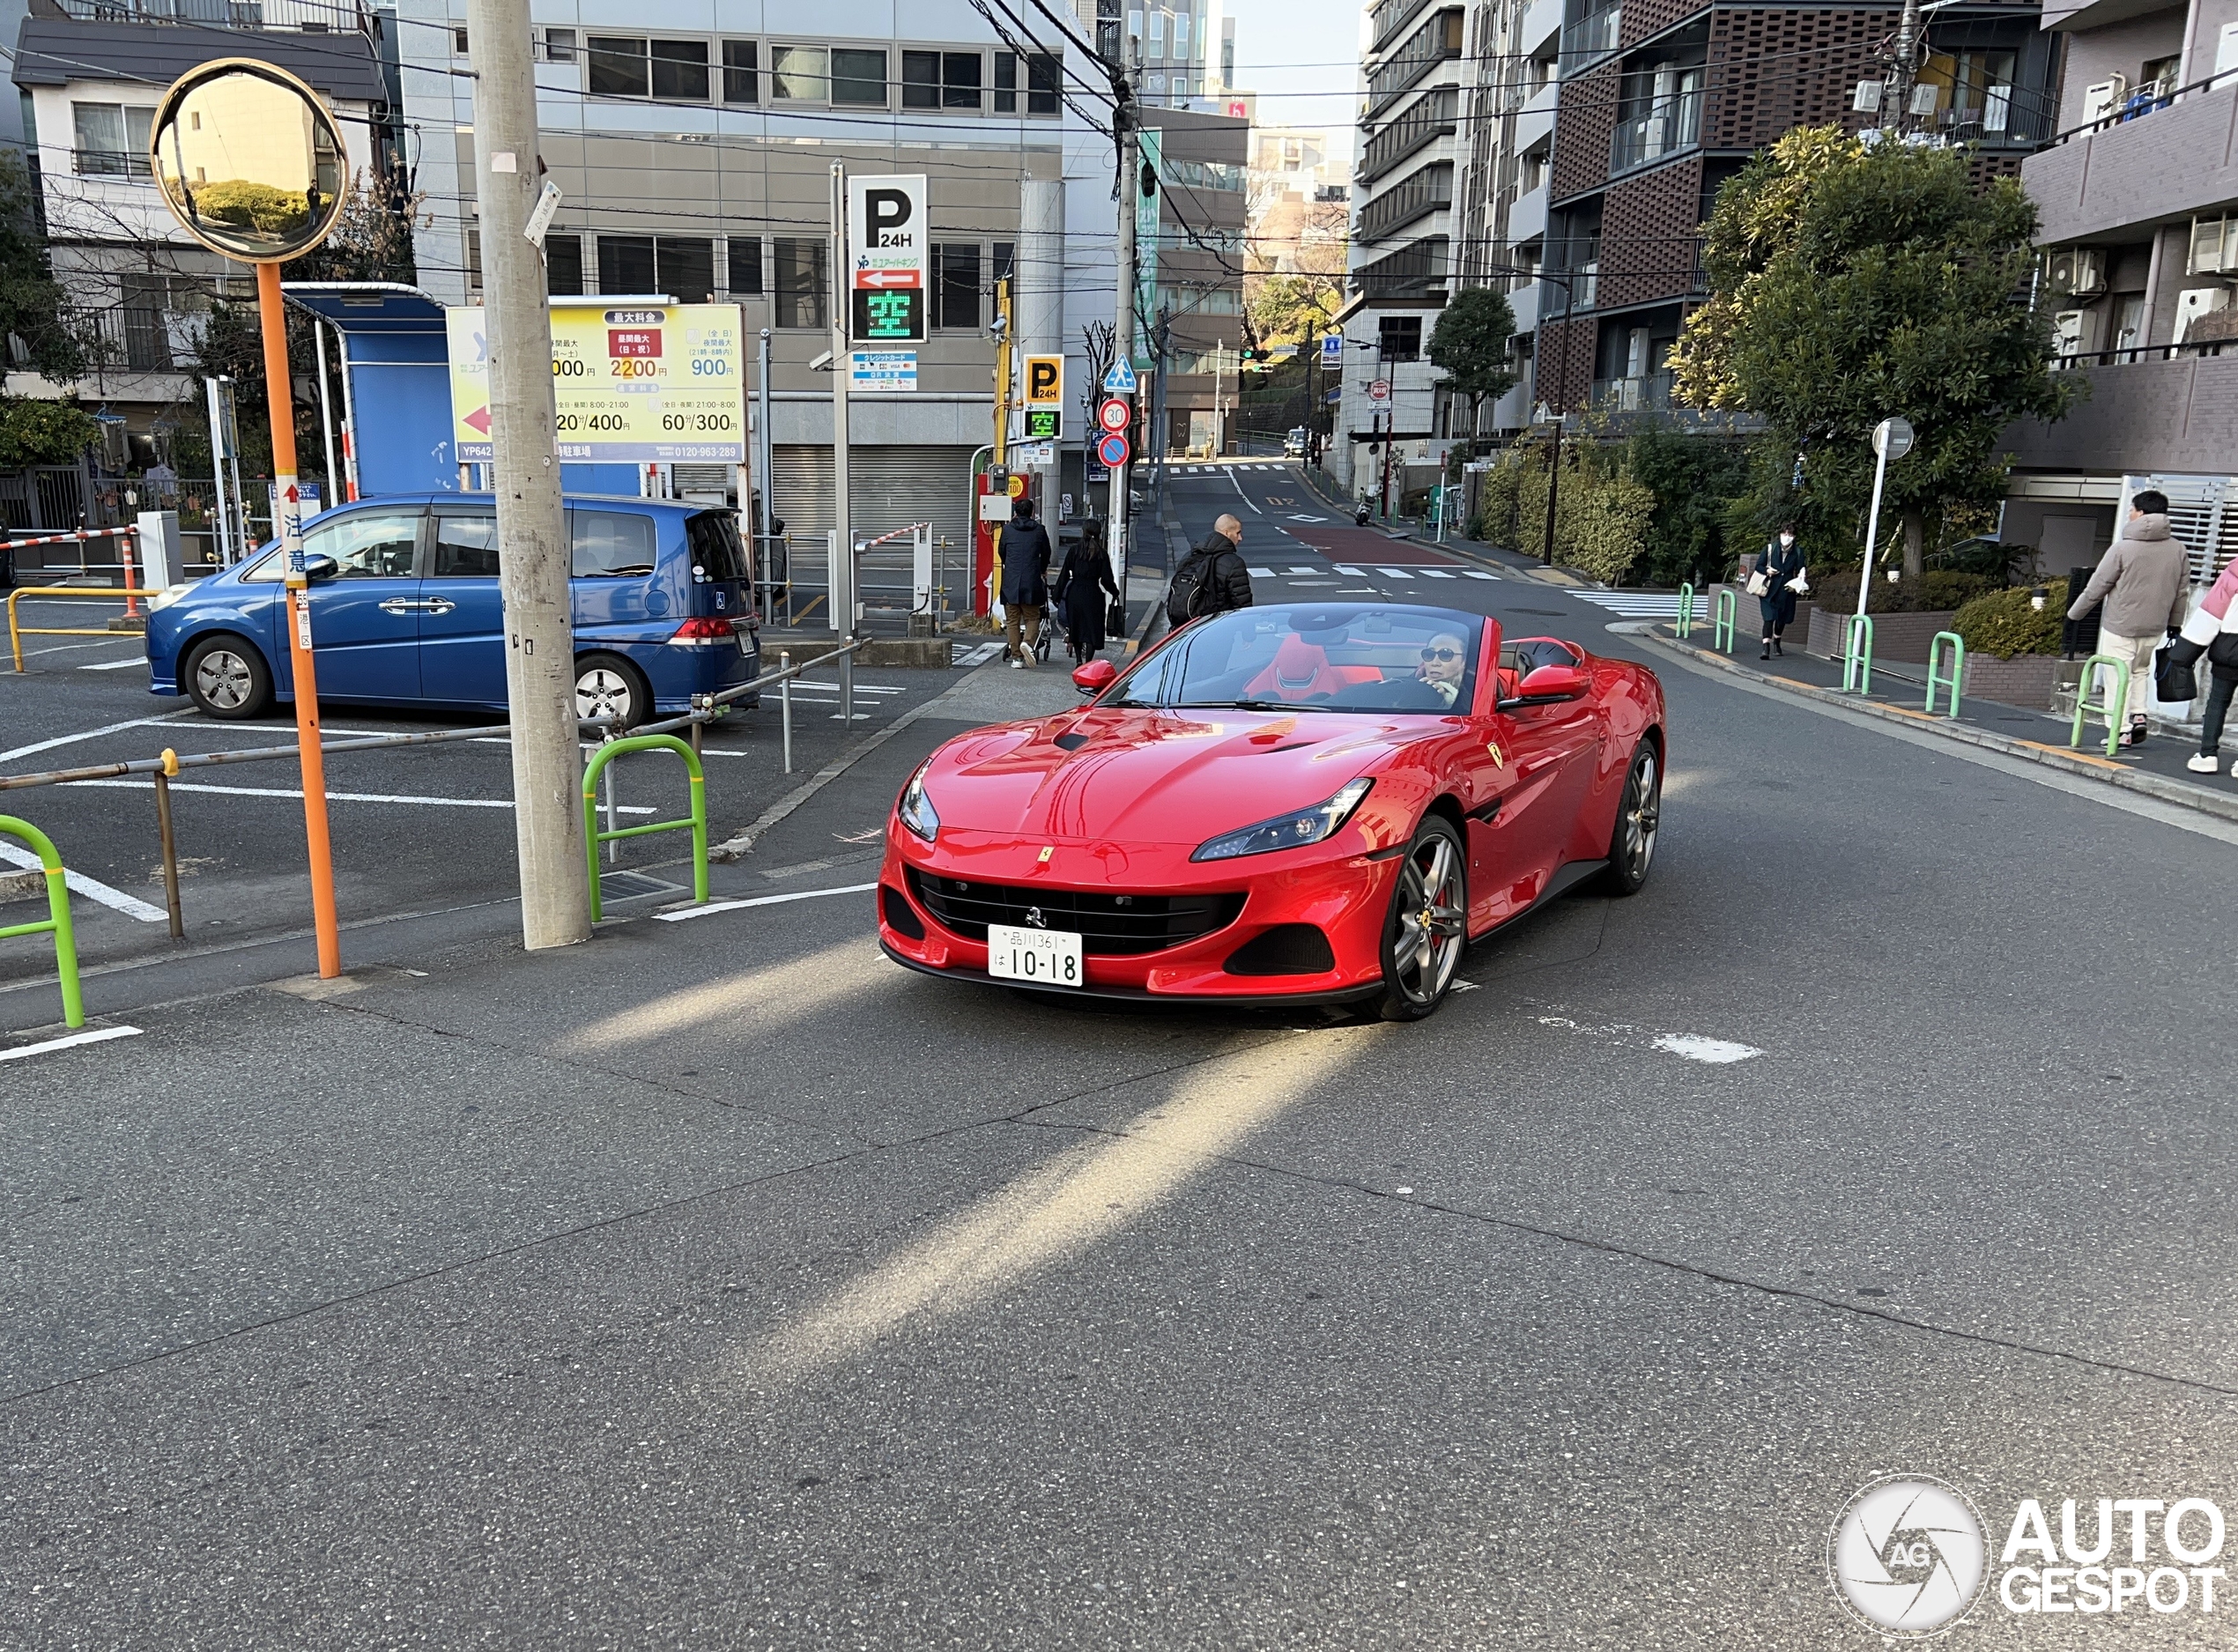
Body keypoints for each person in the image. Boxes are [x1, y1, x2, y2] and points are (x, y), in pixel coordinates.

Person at [2066, 488, 2190, 747]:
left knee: (2116, 675)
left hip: (2121, 624)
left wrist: (2074, 614)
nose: (2129, 515)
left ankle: (2121, 731)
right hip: (2155, 626)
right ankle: (2139, 714)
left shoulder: (2122, 548)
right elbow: (2181, 593)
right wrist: (2175, 625)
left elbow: (2097, 587)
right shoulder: (2179, 549)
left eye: (2132, 510)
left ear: (2141, 514)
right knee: (2140, 671)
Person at [2179, 552, 2238, 775]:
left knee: (2217, 702)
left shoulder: (2233, 572)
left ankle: (2207, 755)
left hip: (2229, 649)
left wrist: (2185, 652)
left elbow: (2211, 614)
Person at [1165, 513, 1252, 628]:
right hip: (1218, 628)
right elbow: (1242, 604)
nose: (1240, 538)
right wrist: (1248, 636)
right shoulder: (1234, 563)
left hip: (1187, 628)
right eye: (1238, 533)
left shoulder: (1190, 556)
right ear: (1226, 533)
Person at [1051, 517, 1121, 663]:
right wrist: (1115, 592)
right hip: (1093, 595)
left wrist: (1056, 595)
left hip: (1075, 593)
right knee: (1091, 629)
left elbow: (1064, 575)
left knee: (1076, 628)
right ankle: (1088, 662)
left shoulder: (1074, 551)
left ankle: (1078, 660)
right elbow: (1106, 580)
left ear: (1083, 532)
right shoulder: (1101, 554)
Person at [997, 494, 1054, 669]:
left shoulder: (1007, 530)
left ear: (1015, 512)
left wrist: (1011, 564)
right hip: (1031, 579)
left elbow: (1002, 552)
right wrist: (1041, 568)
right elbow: (1046, 552)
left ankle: (1017, 659)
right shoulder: (1039, 530)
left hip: (1011, 581)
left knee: (1012, 621)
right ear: (1032, 512)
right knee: (1032, 617)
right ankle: (1028, 643)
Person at [1754, 523, 1805, 660]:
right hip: (1769, 590)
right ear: (1780, 535)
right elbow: (1758, 565)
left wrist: (1802, 573)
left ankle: (1777, 641)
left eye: (1790, 535)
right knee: (1769, 618)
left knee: (1782, 619)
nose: (1787, 537)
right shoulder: (1770, 548)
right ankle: (1766, 648)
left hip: (1787, 590)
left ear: (1794, 537)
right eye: (1784, 534)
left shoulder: (1798, 551)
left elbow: (1801, 567)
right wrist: (1767, 570)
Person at [1416, 629, 1469, 707]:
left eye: (1446, 655)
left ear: (1463, 661)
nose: (1435, 663)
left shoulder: (1478, 693)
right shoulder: (1407, 685)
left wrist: (1455, 703)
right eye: (1429, 654)